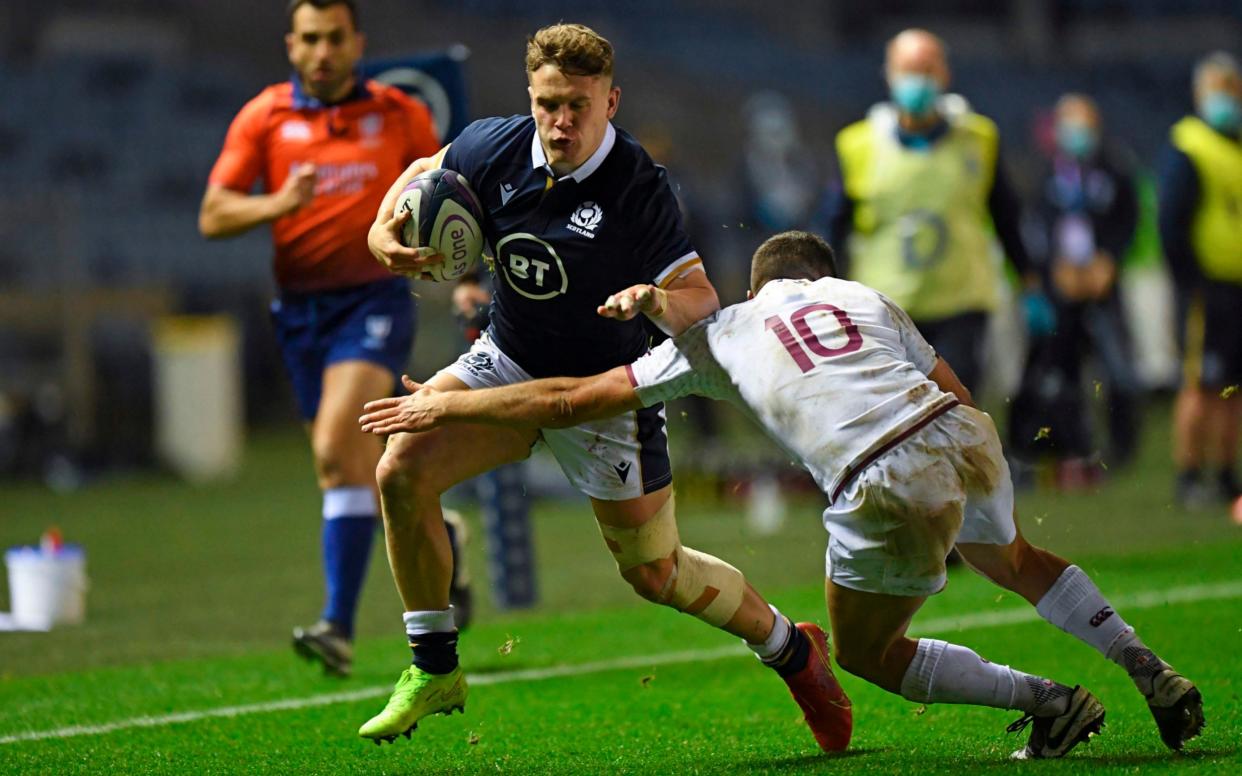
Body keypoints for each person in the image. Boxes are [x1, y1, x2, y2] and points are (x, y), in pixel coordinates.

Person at [363, 230, 1205, 759]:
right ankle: (1140, 660)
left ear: (760, 284)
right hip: (956, 430)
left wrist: (448, 402)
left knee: (870, 655)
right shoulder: (866, 299)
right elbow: (954, 387)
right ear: (821, 277)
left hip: (880, 474)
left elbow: (567, 402)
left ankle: (1050, 702)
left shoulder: (721, 334)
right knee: (1018, 559)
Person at [355, 23, 852, 750]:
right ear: (531, 97)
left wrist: (654, 300)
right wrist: (379, 230)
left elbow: (703, 300)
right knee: (401, 467)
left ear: (610, 101)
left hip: (607, 391)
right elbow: (424, 168)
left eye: (577, 107)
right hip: (512, 361)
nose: (560, 122)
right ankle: (434, 667)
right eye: (547, 103)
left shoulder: (637, 186)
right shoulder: (493, 147)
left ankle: (792, 649)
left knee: (657, 574)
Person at [198, 0, 455, 676]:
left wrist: (456, 268)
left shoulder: (401, 114)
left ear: (356, 42)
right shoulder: (265, 117)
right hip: (299, 314)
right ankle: (438, 531)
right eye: (310, 39)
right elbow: (214, 213)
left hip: (373, 301)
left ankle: (337, 626)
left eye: (335, 38)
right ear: (291, 45)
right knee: (347, 462)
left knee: (336, 449)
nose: (323, 51)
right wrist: (277, 204)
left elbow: (449, 193)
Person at [826, 28, 1048, 396]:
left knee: (955, 404)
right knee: (896, 411)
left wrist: (1028, 280)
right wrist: (821, 285)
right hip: (886, 306)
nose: (918, 80)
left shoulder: (978, 139)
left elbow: (1004, 214)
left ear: (945, 74)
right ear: (889, 74)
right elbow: (833, 223)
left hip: (960, 300)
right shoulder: (857, 146)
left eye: (927, 68)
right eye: (909, 69)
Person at [1009, 94, 1141, 486]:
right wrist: (1053, 270)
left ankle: (1122, 451)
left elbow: (1129, 220)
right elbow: (1037, 226)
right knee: (1057, 372)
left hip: (1103, 285)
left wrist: (1110, 262)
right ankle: (1067, 448)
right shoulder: (1048, 174)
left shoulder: (1115, 170)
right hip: (1060, 289)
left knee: (1118, 371)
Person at [1159, 51, 1242, 508]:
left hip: (1237, 287)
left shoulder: (1235, 147)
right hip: (1206, 289)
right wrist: (1188, 282)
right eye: (1217, 88)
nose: (1225, 98)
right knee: (1201, 383)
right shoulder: (1189, 145)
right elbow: (1172, 221)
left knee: (1233, 386)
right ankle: (1190, 474)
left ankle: (1228, 474)